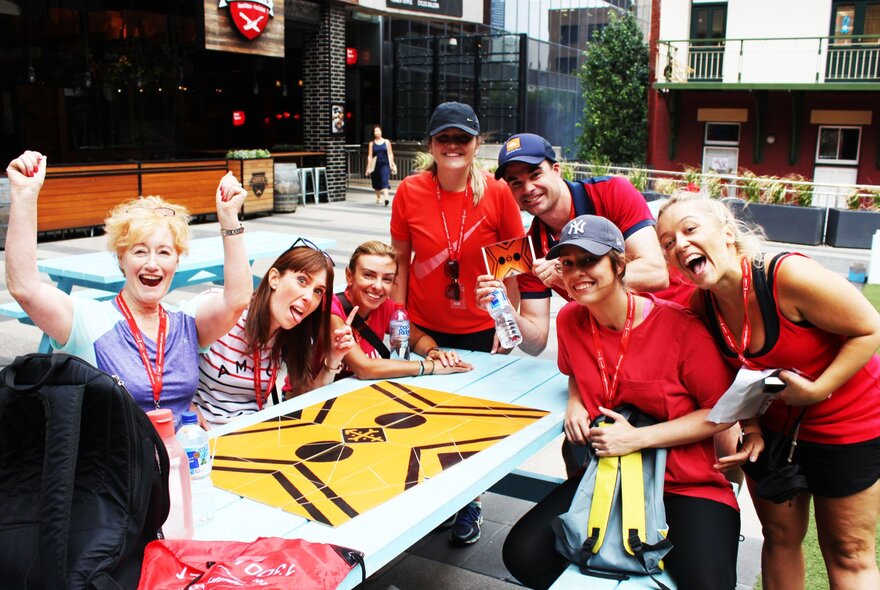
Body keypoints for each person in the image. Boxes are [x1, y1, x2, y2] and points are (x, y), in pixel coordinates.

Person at [502, 215, 740, 590]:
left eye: (589, 260)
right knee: (523, 555)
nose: (576, 272)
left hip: (682, 481)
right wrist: (576, 403)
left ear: (619, 264)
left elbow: (722, 412)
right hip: (607, 477)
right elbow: (576, 370)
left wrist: (637, 439)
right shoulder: (569, 320)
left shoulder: (681, 327)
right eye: (567, 264)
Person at [656, 193, 880, 590]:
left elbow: (870, 328)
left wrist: (817, 390)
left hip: (848, 426)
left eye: (690, 229)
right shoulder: (702, 305)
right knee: (778, 537)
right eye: (668, 242)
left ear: (727, 231)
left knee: (848, 550)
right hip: (776, 435)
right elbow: (734, 375)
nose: (679, 244)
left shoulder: (786, 276)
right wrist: (753, 427)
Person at [4, 150, 253, 424]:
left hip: (184, 459)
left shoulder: (187, 323)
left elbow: (237, 299)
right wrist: (24, 196)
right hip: (120, 464)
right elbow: (25, 287)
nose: (152, 264)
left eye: (164, 252)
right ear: (121, 258)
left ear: (177, 261)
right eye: (139, 251)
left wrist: (229, 218)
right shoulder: (91, 321)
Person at [390, 102, 524, 546]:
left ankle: (470, 502)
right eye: (444, 138)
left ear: (476, 144)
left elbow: (512, 265)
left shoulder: (497, 193)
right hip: (425, 322)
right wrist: (397, 320)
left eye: (462, 138)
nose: (453, 146)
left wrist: (511, 325)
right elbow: (400, 262)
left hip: (480, 327)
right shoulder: (409, 190)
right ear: (430, 144)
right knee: (426, 416)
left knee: (470, 421)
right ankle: (434, 500)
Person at [477, 132, 682, 357]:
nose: (527, 188)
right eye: (516, 183)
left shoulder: (613, 192)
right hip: (620, 347)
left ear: (557, 170)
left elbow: (656, 274)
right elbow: (537, 344)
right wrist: (507, 313)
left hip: (674, 328)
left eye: (536, 174)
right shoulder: (529, 250)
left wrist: (571, 273)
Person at [194, 239, 356, 428]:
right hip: (198, 439)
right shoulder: (221, 311)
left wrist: (334, 359)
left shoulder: (289, 335)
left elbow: (304, 401)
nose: (309, 297)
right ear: (274, 278)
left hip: (250, 435)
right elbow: (158, 355)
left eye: (318, 291)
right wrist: (184, 407)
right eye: (302, 280)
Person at [330, 240, 473, 380]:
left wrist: (433, 352)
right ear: (349, 276)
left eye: (387, 279)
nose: (378, 286)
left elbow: (418, 339)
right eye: (368, 275)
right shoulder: (332, 308)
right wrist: (428, 366)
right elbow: (364, 368)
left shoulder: (386, 306)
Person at [365, 125, 397, 206]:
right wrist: (368, 168)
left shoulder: (386, 142)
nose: (377, 132)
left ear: (381, 131)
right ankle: (378, 197)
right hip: (375, 164)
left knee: (384, 180)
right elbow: (370, 156)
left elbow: (390, 154)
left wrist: (392, 164)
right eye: (375, 131)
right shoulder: (371, 143)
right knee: (376, 181)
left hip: (385, 164)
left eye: (378, 130)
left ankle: (386, 198)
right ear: (373, 133)